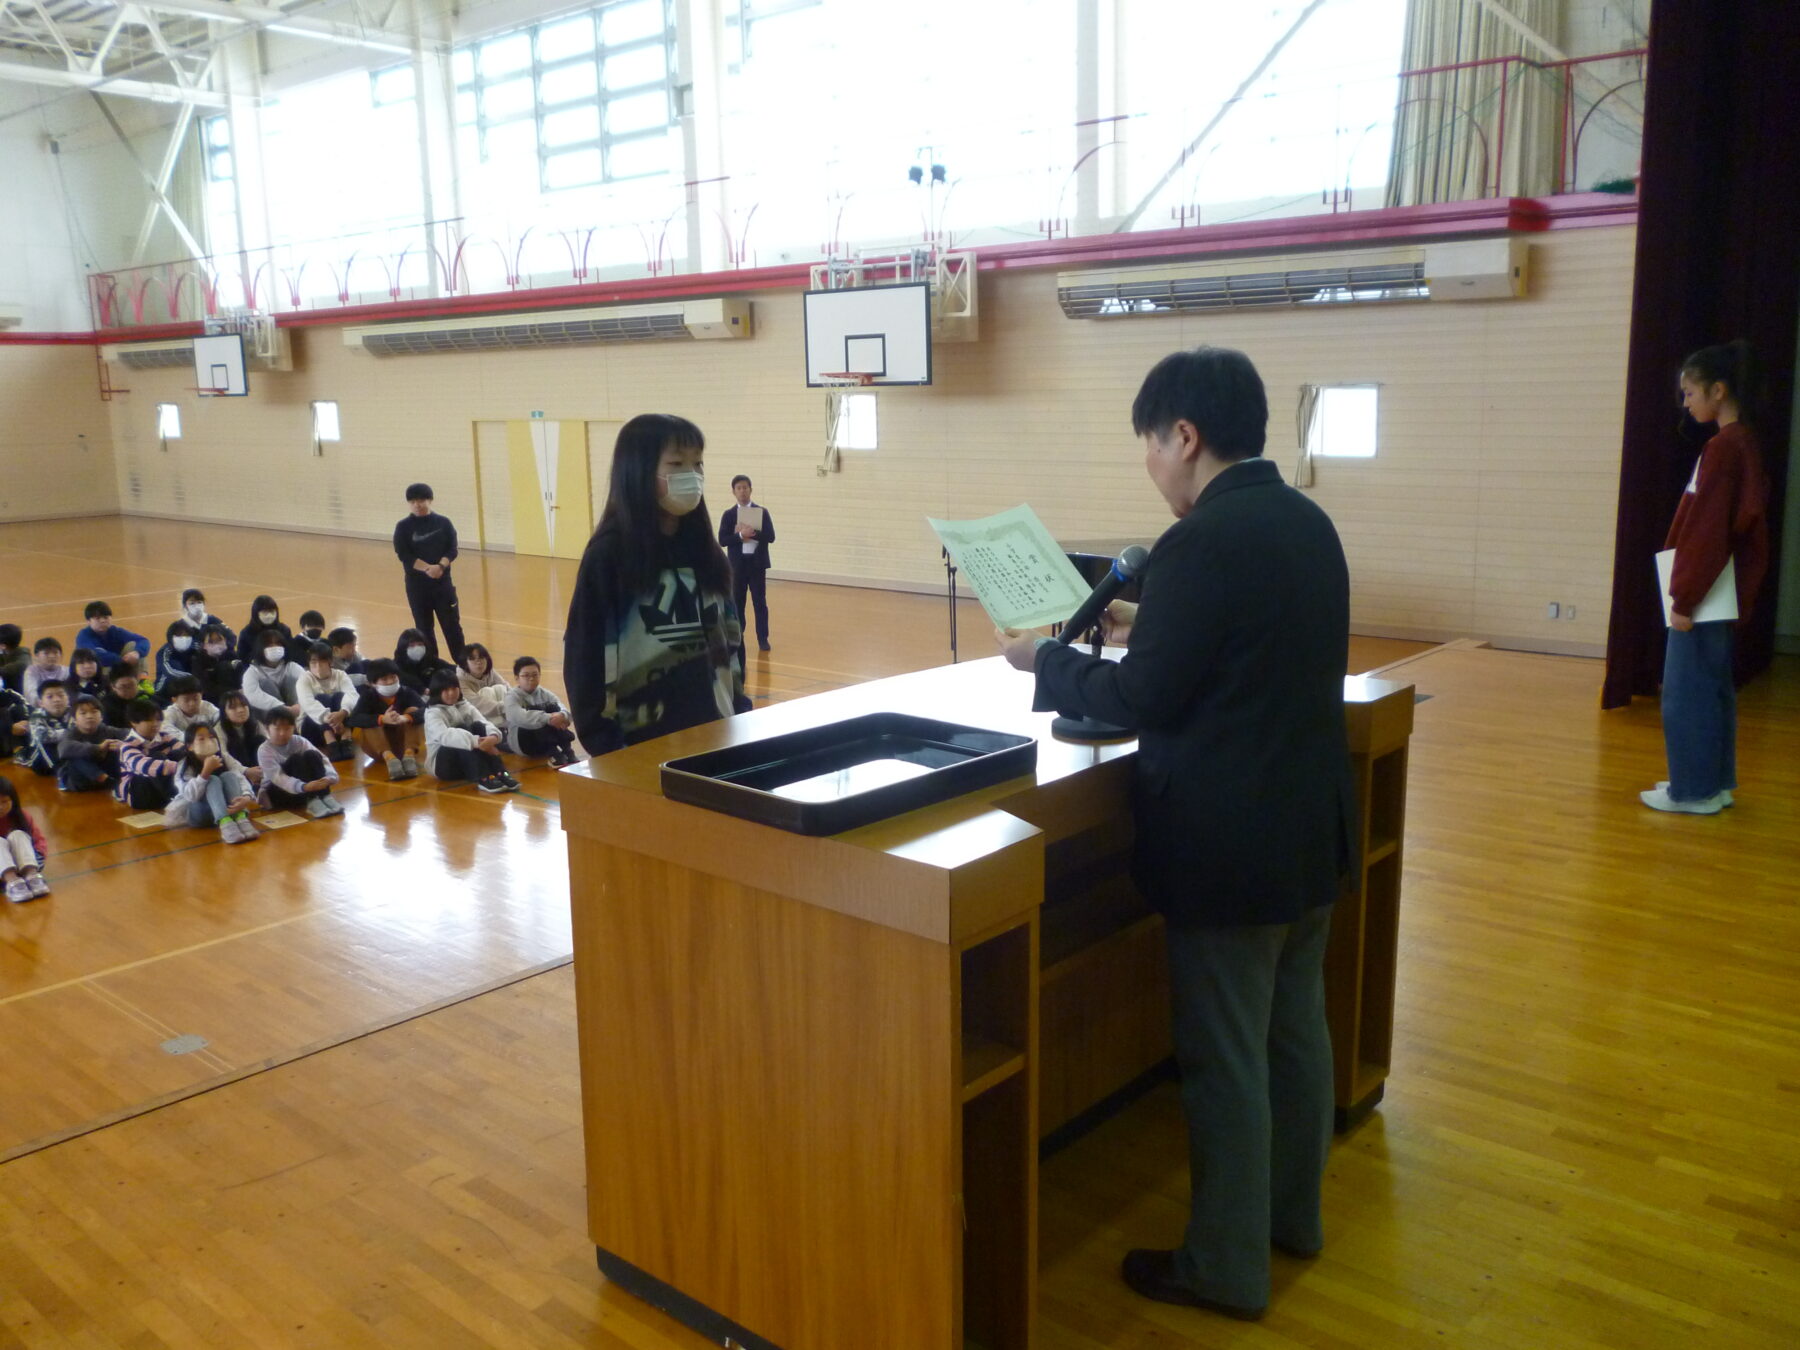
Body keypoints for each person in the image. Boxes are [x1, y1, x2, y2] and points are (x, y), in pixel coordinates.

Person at [995, 346, 1354, 1321]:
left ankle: (1225, 1269)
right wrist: (1140, 626)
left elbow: (1144, 699)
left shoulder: (1199, 542)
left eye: (1150, 444)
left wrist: (1043, 663)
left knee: (1226, 1060)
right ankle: (1293, 1220)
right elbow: (1240, 650)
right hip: (1307, 834)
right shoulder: (1306, 523)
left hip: (1230, 853)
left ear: (1185, 436)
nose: (1149, 464)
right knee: (1295, 1035)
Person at [564, 414, 750, 757]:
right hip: (639, 746)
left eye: (698, 464)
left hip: (715, 736)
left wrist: (738, 708)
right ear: (638, 471)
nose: (691, 475)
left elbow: (731, 637)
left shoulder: (707, 553)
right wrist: (605, 742)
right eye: (677, 464)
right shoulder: (609, 555)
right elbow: (585, 656)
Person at [1641, 340, 1771, 815]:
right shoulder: (1742, 442)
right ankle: (1712, 783)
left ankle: (1692, 791)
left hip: (1707, 590)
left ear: (1718, 390)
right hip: (1721, 587)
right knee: (1712, 689)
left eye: (1690, 392)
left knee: (1687, 692)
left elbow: (1708, 530)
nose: (1686, 402)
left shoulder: (1724, 448)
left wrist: (1683, 598)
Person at [394, 483, 467, 663]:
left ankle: (462, 665)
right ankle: (431, 665)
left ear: (430, 500)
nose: (417, 505)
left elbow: (452, 549)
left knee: (452, 626)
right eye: (412, 501)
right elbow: (404, 555)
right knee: (424, 629)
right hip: (417, 587)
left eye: (421, 500)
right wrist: (427, 568)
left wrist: (440, 567)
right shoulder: (403, 527)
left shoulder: (443, 523)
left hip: (443, 585)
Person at [422, 668, 516, 793]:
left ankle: (500, 772)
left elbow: (482, 721)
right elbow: (445, 736)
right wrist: (477, 742)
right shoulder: (432, 713)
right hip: (444, 766)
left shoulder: (463, 704)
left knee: (477, 726)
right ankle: (483, 777)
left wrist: (494, 736)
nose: (451, 693)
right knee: (460, 729)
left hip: (466, 762)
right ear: (437, 692)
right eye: (446, 690)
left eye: (454, 688)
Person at [163, 723, 260, 843]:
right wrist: (205, 773)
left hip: (228, 809)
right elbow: (189, 796)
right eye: (201, 739)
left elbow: (240, 778)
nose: (208, 741)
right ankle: (225, 824)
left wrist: (246, 796)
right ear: (190, 746)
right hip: (201, 813)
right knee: (212, 780)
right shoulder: (185, 765)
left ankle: (240, 818)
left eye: (211, 737)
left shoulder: (223, 757)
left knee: (229, 775)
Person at [717, 473, 776, 652]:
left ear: (751, 490)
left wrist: (753, 533)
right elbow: (722, 540)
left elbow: (771, 537)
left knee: (760, 603)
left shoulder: (762, 512)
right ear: (733, 492)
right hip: (738, 566)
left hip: (757, 565)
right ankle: (738, 637)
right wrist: (740, 536)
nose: (742, 491)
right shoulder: (729, 515)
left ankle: (763, 639)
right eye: (739, 488)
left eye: (745, 488)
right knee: (738, 603)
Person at [257, 708, 343, 818]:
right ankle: (311, 801)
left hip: (305, 789)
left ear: (294, 727)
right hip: (279, 792)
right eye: (277, 729)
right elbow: (278, 777)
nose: (282, 733)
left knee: (312, 754)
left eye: (287, 729)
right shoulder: (264, 750)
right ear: (267, 729)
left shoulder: (299, 741)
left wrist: (329, 778)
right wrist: (303, 787)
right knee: (295, 759)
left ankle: (325, 796)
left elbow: (322, 759)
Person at [347, 659, 424, 780]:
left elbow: (427, 711)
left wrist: (405, 718)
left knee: (413, 710)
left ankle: (409, 756)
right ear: (373, 683)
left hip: (403, 743)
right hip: (378, 748)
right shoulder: (368, 696)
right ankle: (390, 759)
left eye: (393, 677)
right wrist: (382, 719)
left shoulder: (407, 692)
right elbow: (353, 719)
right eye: (384, 679)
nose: (390, 682)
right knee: (371, 721)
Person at [503, 656, 579, 766]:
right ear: (517, 678)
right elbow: (519, 717)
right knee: (536, 713)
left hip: (543, 741)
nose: (531, 679)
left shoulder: (545, 693)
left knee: (554, 708)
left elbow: (563, 709)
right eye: (526, 675)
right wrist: (548, 718)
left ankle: (567, 751)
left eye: (535, 675)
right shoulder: (511, 696)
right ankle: (553, 753)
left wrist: (562, 715)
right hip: (524, 744)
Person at [116, 698, 184, 809]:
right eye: (149, 720)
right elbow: (143, 766)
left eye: (158, 719)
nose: (155, 724)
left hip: (160, 789)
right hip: (138, 794)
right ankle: (176, 796)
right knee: (157, 757)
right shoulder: (128, 745)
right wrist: (178, 767)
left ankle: (176, 797)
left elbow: (183, 750)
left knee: (177, 755)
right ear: (134, 722)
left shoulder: (164, 736)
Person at [297, 642, 358, 761]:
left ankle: (346, 739)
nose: (317, 666)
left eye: (322, 662)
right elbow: (308, 704)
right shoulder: (304, 679)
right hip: (312, 727)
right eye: (313, 662)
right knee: (322, 698)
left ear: (330, 662)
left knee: (341, 697)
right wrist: (330, 719)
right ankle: (331, 743)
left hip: (340, 725)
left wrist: (343, 713)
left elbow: (353, 695)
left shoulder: (340, 675)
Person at [57, 696, 127, 793]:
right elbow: (63, 749)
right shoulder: (70, 733)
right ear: (74, 719)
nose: (89, 716)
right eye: (83, 713)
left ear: (101, 717)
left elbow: (130, 734)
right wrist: (98, 748)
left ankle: (117, 781)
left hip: (107, 774)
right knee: (75, 756)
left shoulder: (108, 730)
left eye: (94, 712)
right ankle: (107, 780)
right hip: (79, 781)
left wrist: (123, 745)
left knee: (115, 748)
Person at [0, 775, 50, 901]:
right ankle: (12, 881)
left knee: (18, 834)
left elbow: (39, 841)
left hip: (26, 863)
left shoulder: (21, 816)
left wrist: (39, 855)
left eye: (5, 802)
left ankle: (32, 876)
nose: (0, 807)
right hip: (2, 869)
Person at [241, 632, 306, 726]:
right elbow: (252, 695)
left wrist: (299, 706)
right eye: (269, 645)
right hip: (269, 716)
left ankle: (297, 724)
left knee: (293, 681)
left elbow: (308, 685)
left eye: (278, 644)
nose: (275, 647)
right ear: (261, 649)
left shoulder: (292, 667)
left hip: (295, 712)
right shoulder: (253, 671)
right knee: (266, 684)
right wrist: (281, 707)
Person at [75, 600, 150, 676]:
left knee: (135, 647)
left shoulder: (116, 631)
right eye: (97, 618)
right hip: (98, 671)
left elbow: (143, 640)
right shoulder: (83, 636)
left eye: (106, 617)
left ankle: (143, 680)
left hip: (118, 665)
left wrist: (136, 653)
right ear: (88, 621)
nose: (102, 621)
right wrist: (122, 660)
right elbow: (95, 656)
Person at [23, 680, 72, 778]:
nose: (56, 700)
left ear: (68, 699)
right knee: (46, 744)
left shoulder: (74, 713)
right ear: (41, 703)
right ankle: (63, 772)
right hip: (41, 760)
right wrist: (70, 733)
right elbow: (43, 736)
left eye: (61, 695)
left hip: (67, 752)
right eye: (50, 697)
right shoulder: (37, 716)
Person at [219, 692, 266, 789]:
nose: (240, 710)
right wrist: (245, 771)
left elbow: (270, 745)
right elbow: (224, 754)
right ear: (225, 714)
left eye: (244, 705)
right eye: (233, 708)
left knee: (260, 740)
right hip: (238, 771)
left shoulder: (256, 724)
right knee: (235, 746)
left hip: (259, 768)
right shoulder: (219, 729)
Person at [193, 624, 245, 707]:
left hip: (239, 698)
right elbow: (205, 687)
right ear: (203, 645)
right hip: (213, 702)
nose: (216, 644)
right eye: (211, 642)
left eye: (219, 640)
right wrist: (233, 692)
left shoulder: (233, 656)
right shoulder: (198, 661)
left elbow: (242, 676)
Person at [235, 596, 294, 666]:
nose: (269, 615)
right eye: (265, 612)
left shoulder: (284, 630)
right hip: (256, 667)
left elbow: (291, 651)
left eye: (272, 611)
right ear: (256, 613)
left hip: (282, 667)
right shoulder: (247, 632)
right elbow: (242, 656)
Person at [456, 642, 508, 721]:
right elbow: (476, 702)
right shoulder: (460, 679)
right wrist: (506, 707)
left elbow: (506, 686)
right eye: (472, 659)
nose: (478, 662)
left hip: (500, 711)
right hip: (472, 717)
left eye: (482, 657)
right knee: (486, 691)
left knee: (500, 688)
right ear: (465, 663)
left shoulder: (490, 672)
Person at [153, 620, 199, 701]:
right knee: (175, 666)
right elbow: (169, 671)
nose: (183, 638)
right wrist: (191, 678)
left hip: (192, 684)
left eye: (186, 635)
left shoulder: (195, 647)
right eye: (179, 635)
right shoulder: (165, 651)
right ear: (171, 636)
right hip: (165, 689)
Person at [22, 638, 68, 704]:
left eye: (55, 653)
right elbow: (30, 692)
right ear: (36, 656)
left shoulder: (67, 671)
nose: (52, 656)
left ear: (61, 655)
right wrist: (42, 703)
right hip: (39, 707)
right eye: (46, 653)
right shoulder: (31, 671)